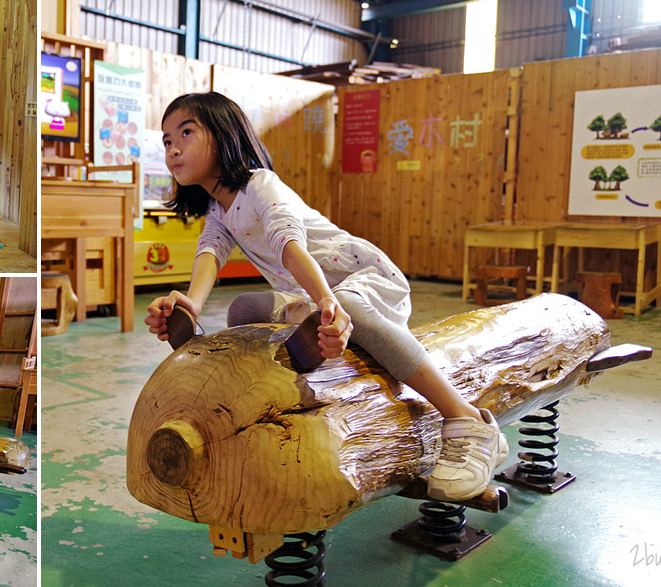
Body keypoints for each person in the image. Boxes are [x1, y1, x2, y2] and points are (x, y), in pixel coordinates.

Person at [143, 92, 507, 502]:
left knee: (345, 304)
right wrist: (191, 303)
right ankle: (290, 382)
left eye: (186, 132)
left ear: (225, 132)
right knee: (244, 308)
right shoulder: (219, 208)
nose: (173, 148)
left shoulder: (259, 184)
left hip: (363, 279)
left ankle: (469, 421)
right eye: (167, 140)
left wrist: (326, 302)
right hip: (310, 296)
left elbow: (288, 242)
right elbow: (210, 253)